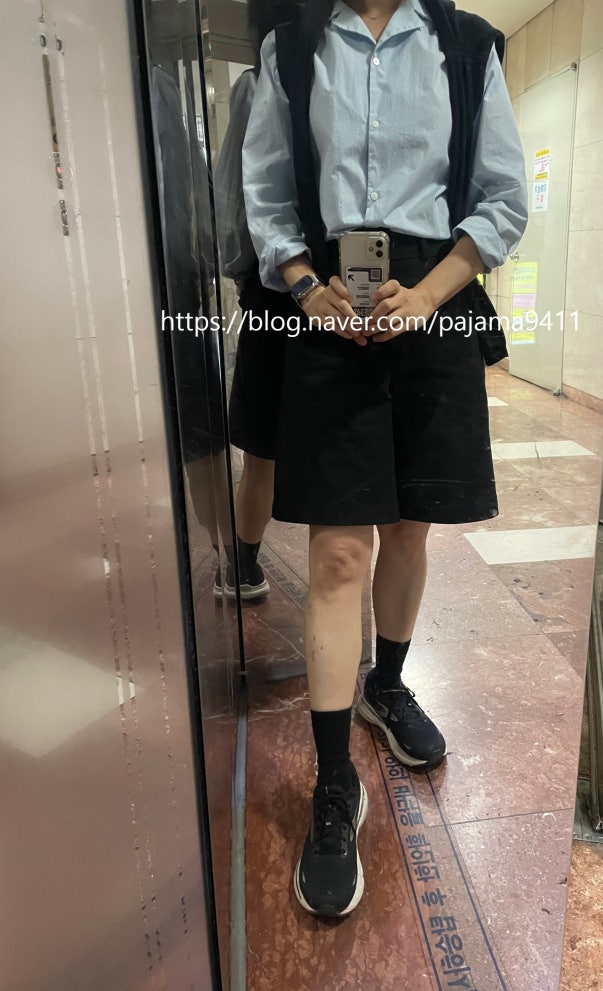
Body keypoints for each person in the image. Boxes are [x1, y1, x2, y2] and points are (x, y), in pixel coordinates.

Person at [243, 0, 528, 917]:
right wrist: (304, 287)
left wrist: (432, 294)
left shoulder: (465, 45)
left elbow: (502, 197)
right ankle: (335, 785)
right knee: (336, 551)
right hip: (328, 308)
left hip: (432, 305)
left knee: (409, 527)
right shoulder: (292, 47)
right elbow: (267, 192)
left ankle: (388, 685)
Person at [212, 0, 302, 602]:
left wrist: (242, 269)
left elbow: (232, 196)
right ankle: (246, 561)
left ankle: (244, 563)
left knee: (264, 444)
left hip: (272, 289)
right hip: (326, 289)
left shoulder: (254, 83)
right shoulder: (266, 81)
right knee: (282, 441)